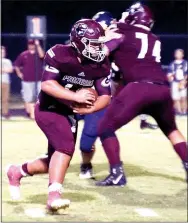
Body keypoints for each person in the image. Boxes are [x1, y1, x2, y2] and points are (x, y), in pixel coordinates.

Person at [6, 19, 111, 212]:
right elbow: (47, 85)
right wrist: (75, 95)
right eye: (93, 44)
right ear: (79, 41)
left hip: (69, 112)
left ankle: (17, 171)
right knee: (65, 148)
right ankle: (54, 196)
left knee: (56, 160)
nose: (98, 49)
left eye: (99, 44)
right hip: (49, 108)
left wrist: (91, 109)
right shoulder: (60, 54)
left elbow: (105, 96)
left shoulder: (101, 64)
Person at [95, 2, 188, 186]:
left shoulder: (121, 30)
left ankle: (117, 174)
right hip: (162, 88)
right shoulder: (154, 38)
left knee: (105, 128)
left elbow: (106, 47)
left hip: (139, 87)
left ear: (133, 16)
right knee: (172, 130)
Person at [14, 39, 45, 119]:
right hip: (27, 80)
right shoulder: (24, 54)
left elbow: (42, 56)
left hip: (38, 79)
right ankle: (29, 114)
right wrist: (19, 74)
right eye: (30, 44)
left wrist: (38, 45)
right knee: (28, 98)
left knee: (40, 97)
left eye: (32, 44)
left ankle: (39, 114)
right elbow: (16, 65)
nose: (31, 45)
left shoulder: (38, 53)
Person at [167, 49, 187, 115]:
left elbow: (187, 73)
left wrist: (184, 81)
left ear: (182, 55)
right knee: (176, 98)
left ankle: (184, 111)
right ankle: (179, 112)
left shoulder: (185, 63)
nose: (178, 54)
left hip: (183, 82)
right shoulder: (172, 64)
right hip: (175, 83)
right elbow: (169, 74)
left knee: (183, 97)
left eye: (179, 53)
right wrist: (170, 78)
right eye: (177, 53)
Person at [1, 46, 13, 119]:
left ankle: (4, 114)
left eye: (3, 52)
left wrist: (3, 70)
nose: (2, 53)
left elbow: (11, 70)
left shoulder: (7, 61)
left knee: (5, 98)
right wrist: (5, 70)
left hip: (6, 82)